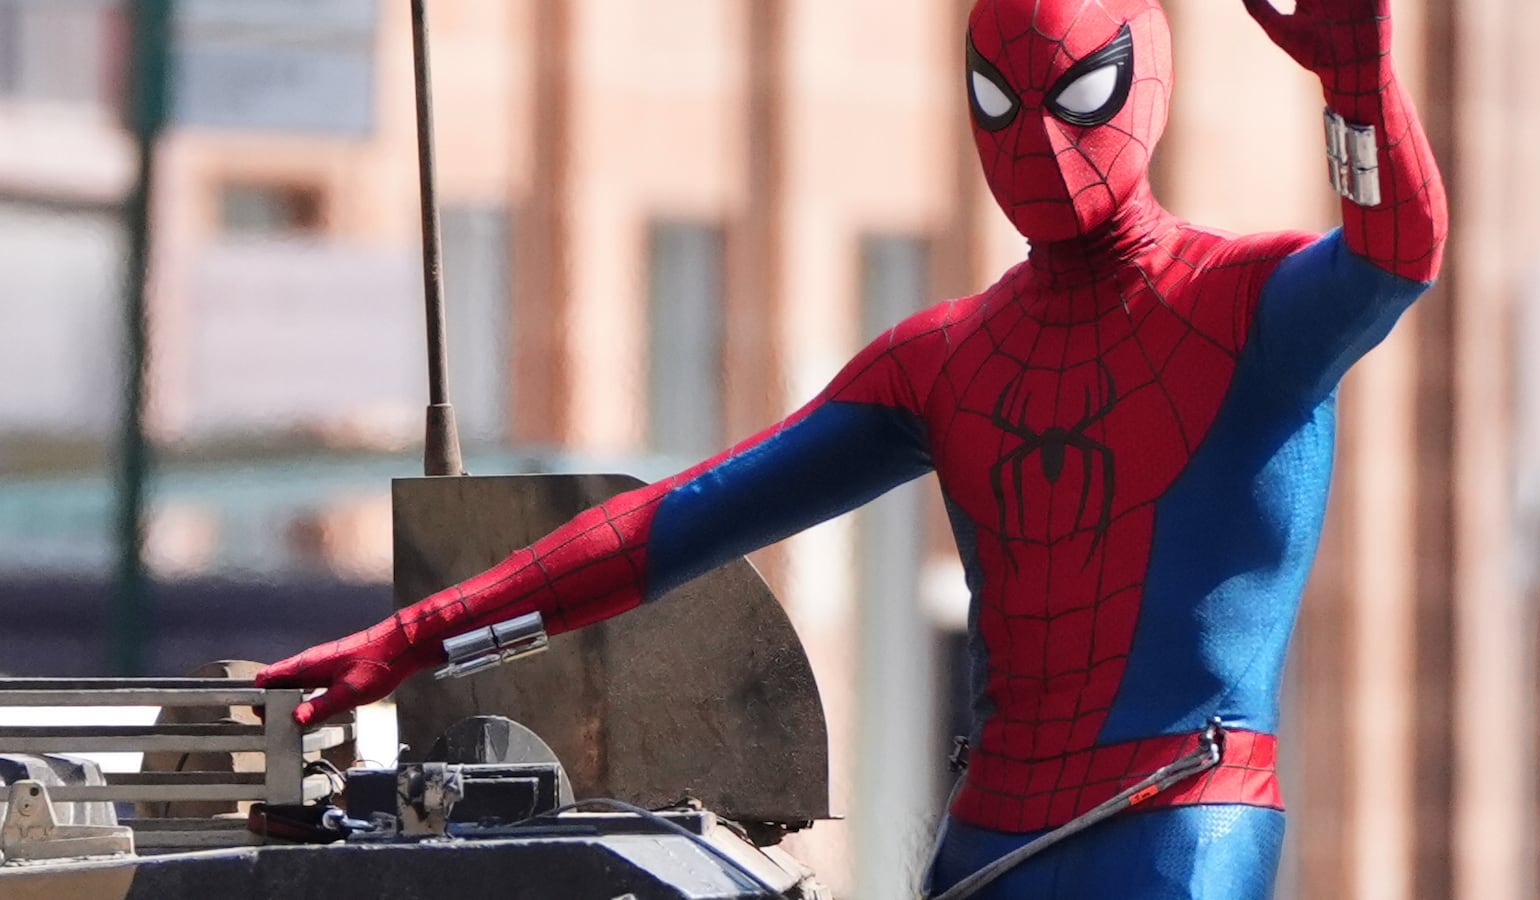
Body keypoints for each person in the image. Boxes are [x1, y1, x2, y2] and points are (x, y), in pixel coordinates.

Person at [260, 0, 1447, 896]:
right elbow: (683, 518)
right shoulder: (948, 357)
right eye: (997, 102)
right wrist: (415, 637)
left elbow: (1393, 252)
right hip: (989, 833)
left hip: (1180, 817)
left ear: (1143, 85)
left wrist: (1360, 87)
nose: (1035, 140)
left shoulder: (1243, 310)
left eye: (1077, 94)